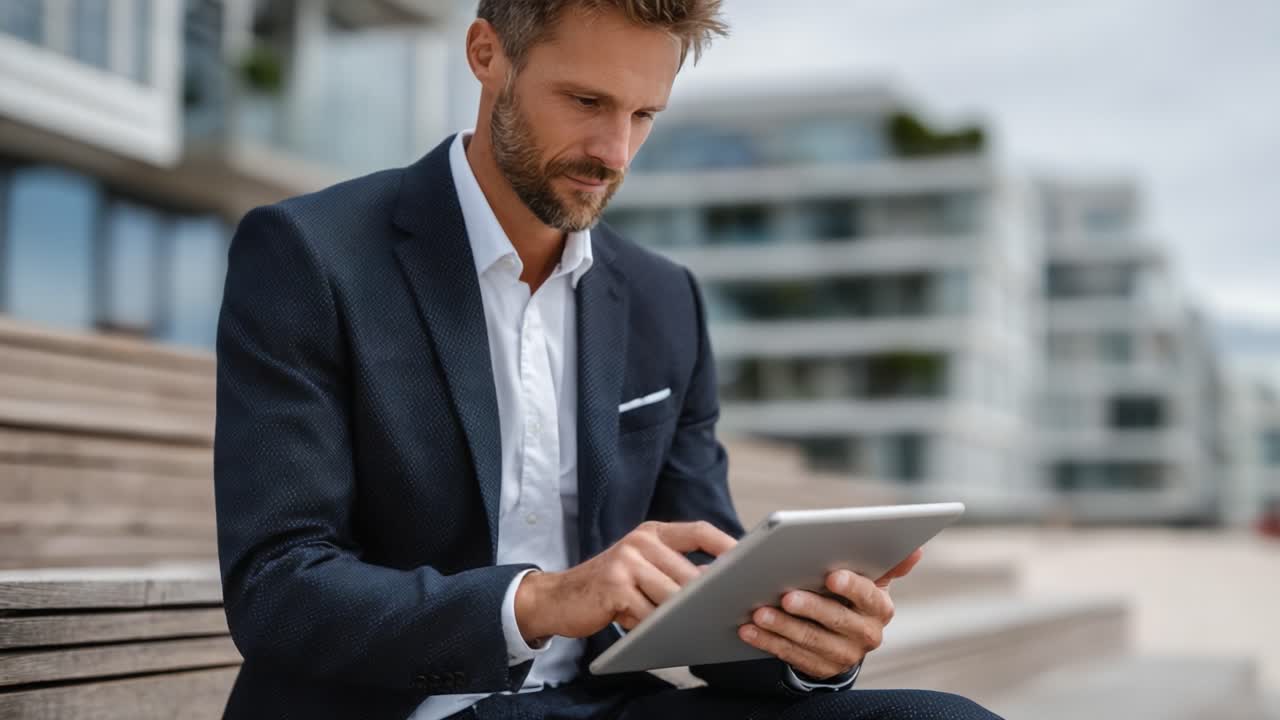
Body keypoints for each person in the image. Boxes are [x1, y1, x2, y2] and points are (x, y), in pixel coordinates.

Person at [213, 1, 1003, 718]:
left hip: (603, 703)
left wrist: (806, 642)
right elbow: (279, 586)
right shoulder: (311, 255)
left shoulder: (664, 299)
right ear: (487, 54)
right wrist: (541, 602)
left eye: (643, 114)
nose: (613, 150)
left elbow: (706, 587)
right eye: (586, 102)